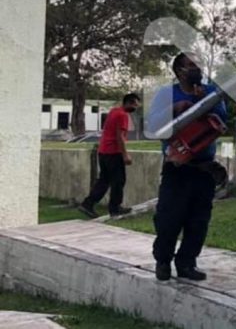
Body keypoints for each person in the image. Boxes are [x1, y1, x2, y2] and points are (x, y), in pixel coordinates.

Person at [146, 52, 227, 282]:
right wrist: (176, 107)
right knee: (169, 218)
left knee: (198, 220)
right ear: (179, 71)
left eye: (198, 65)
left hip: (205, 168)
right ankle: (163, 261)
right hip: (177, 166)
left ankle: (187, 263)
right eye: (191, 65)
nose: (196, 69)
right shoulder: (166, 94)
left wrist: (204, 104)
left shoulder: (211, 92)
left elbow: (222, 119)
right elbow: (153, 124)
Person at [78, 93, 140, 218]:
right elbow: (119, 137)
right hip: (113, 152)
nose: (135, 108)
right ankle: (115, 208)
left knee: (104, 180)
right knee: (118, 181)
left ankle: (88, 204)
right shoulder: (122, 115)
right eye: (135, 105)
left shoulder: (114, 111)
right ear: (129, 103)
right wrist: (125, 155)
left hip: (103, 151)